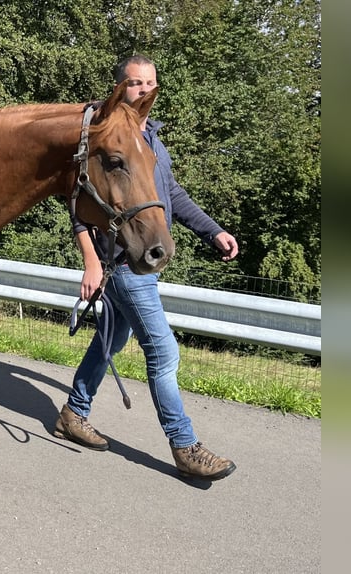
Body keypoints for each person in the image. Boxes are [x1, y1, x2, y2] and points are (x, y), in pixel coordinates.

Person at [54, 54, 239, 480]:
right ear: (120, 88)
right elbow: (78, 204)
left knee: (110, 341)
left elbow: (171, 194)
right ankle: (184, 443)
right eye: (135, 83)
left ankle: (73, 412)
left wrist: (212, 231)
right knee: (162, 350)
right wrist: (91, 262)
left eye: (150, 83)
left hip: (141, 259)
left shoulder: (150, 141)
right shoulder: (104, 139)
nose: (144, 90)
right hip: (121, 263)